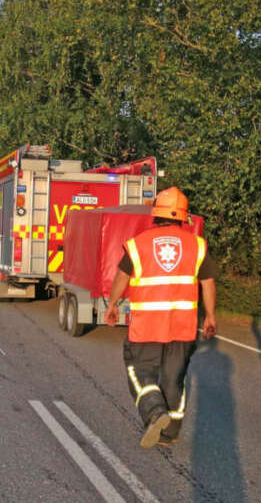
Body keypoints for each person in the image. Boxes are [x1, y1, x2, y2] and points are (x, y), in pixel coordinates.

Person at [104, 186, 217, 448]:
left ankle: (155, 413)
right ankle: (171, 432)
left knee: (139, 371)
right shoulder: (197, 246)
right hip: (183, 327)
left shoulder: (138, 244)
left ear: (157, 214)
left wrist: (112, 304)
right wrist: (210, 316)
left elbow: (122, 276)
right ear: (183, 217)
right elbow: (208, 283)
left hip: (147, 327)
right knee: (173, 378)